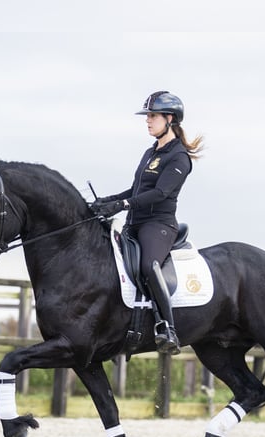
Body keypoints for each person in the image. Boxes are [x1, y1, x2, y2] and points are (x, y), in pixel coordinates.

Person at [91, 91, 204, 355]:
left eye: (152, 116)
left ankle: (168, 327)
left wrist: (122, 205)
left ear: (170, 119)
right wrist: (108, 200)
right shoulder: (149, 152)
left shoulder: (179, 157)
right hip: (135, 222)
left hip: (159, 225)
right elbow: (136, 189)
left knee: (148, 265)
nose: (148, 121)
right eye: (148, 116)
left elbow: (160, 193)